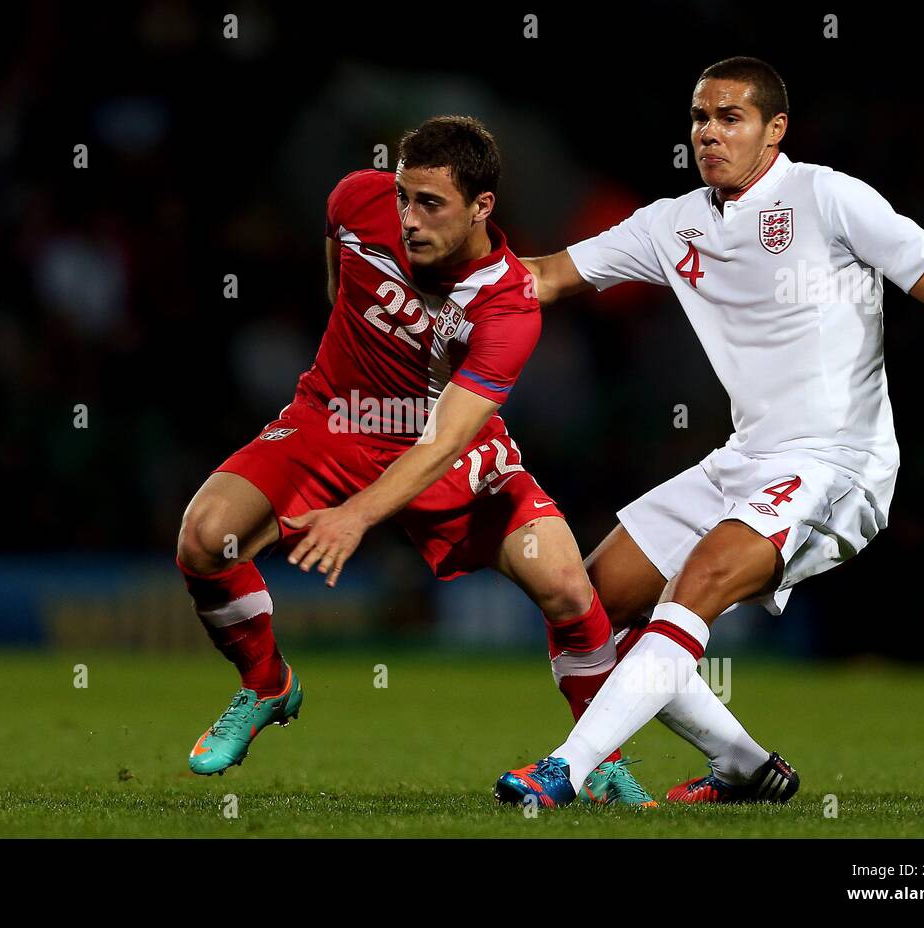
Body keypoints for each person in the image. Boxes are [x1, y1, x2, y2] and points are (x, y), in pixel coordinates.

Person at [495, 57, 924, 808]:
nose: (709, 133)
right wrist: (447, 265)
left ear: (775, 130)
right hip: (746, 460)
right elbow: (542, 277)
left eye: (729, 117)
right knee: (588, 603)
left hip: (840, 464)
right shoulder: (675, 222)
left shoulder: (825, 195)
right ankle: (744, 766)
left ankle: (562, 772)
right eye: (700, 117)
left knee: (696, 584)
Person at [176, 116, 654, 804]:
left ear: (481, 207)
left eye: (430, 204)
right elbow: (339, 277)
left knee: (568, 586)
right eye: (404, 196)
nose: (407, 217)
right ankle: (266, 684)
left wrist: (353, 517)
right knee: (203, 536)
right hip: (332, 423)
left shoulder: (509, 304)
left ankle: (596, 756)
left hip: (443, 447)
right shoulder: (355, 200)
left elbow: (446, 441)